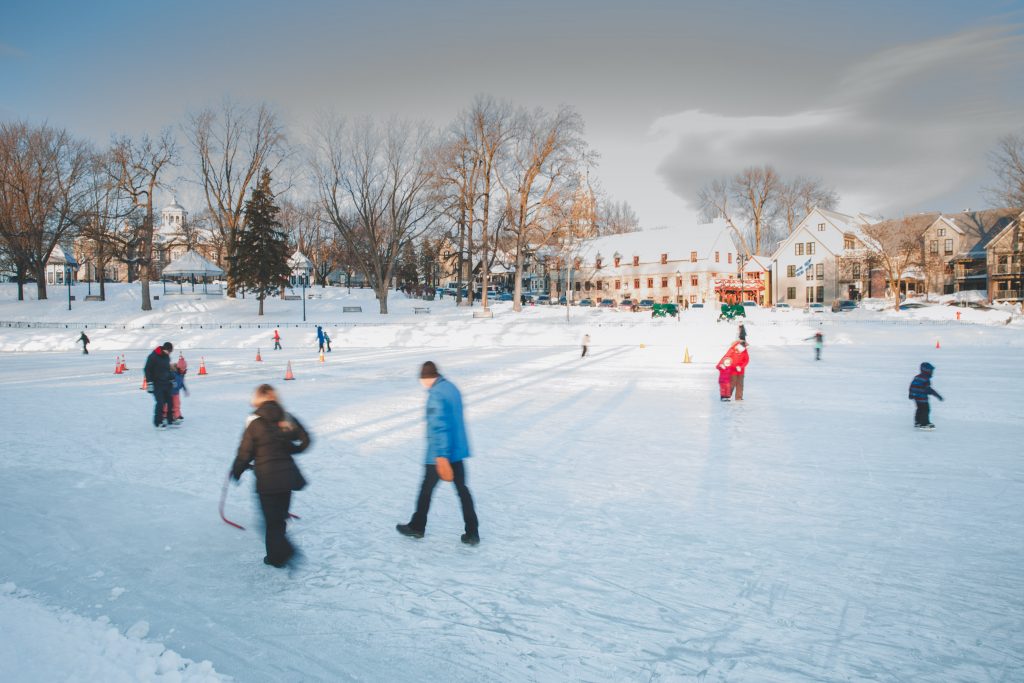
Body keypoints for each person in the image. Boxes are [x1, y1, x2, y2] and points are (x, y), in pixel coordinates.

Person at [397, 361, 480, 545]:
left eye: (422, 380)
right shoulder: (451, 388)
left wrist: (441, 455)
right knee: (462, 491)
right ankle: (472, 532)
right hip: (457, 450)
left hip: (439, 454)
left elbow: (439, 426)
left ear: (427, 378)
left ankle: (417, 527)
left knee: (426, 491)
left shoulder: (435, 395)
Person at [231, 384, 312, 568]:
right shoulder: (286, 417)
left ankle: (283, 554)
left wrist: (237, 471)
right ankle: (277, 557)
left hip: (267, 479)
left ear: (258, 399)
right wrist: (293, 449)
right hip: (287, 478)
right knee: (279, 519)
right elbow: (306, 439)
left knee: (270, 523)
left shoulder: (255, 422)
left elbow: (245, 452)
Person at [144, 342, 175, 429]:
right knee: (160, 402)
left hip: (166, 382)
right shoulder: (153, 357)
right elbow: (147, 370)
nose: (169, 353)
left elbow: (168, 369)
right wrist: (149, 383)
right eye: (169, 351)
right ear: (164, 349)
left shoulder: (167, 357)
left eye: (170, 352)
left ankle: (169, 419)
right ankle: (158, 422)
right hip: (156, 384)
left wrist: (172, 378)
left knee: (170, 401)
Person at [909, 362, 943, 429]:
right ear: (927, 371)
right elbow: (928, 389)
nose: (932, 372)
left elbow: (912, 386)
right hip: (923, 399)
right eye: (931, 371)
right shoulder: (926, 379)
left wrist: (911, 394)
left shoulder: (917, 377)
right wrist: (937, 395)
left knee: (919, 409)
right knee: (926, 410)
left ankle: (918, 422)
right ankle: (924, 423)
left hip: (916, 398)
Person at [163, 355, 188, 425]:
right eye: (181, 370)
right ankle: (164, 416)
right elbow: (168, 380)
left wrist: (185, 389)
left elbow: (182, 382)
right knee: (167, 405)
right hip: (169, 392)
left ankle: (177, 416)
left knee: (177, 404)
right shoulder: (173, 373)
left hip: (176, 393)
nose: (183, 371)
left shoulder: (182, 374)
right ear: (178, 368)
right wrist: (172, 383)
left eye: (184, 370)